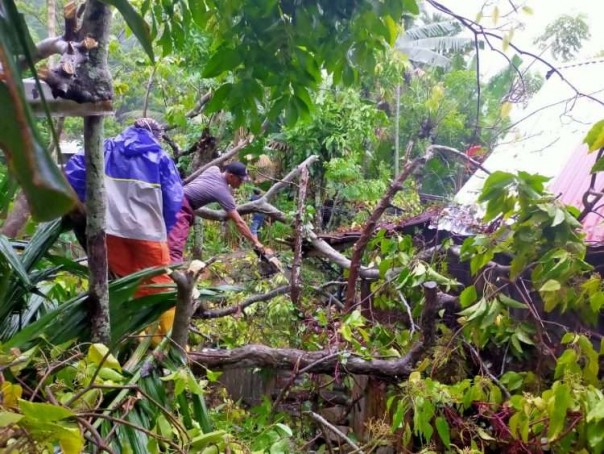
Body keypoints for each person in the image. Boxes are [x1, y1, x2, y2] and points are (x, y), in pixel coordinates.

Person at [65, 117, 183, 339]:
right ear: (155, 136)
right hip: (149, 233)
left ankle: (139, 336)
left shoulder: (104, 147)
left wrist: (87, 206)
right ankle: (170, 342)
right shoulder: (160, 157)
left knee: (128, 282)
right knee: (161, 284)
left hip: (111, 230)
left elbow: (74, 174)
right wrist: (163, 229)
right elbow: (173, 200)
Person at [168, 162, 272, 262]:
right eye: (240, 180)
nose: (241, 183)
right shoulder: (223, 193)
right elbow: (239, 222)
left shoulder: (213, 169)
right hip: (180, 207)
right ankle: (170, 278)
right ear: (231, 176)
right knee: (175, 249)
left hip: (172, 196)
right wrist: (256, 242)